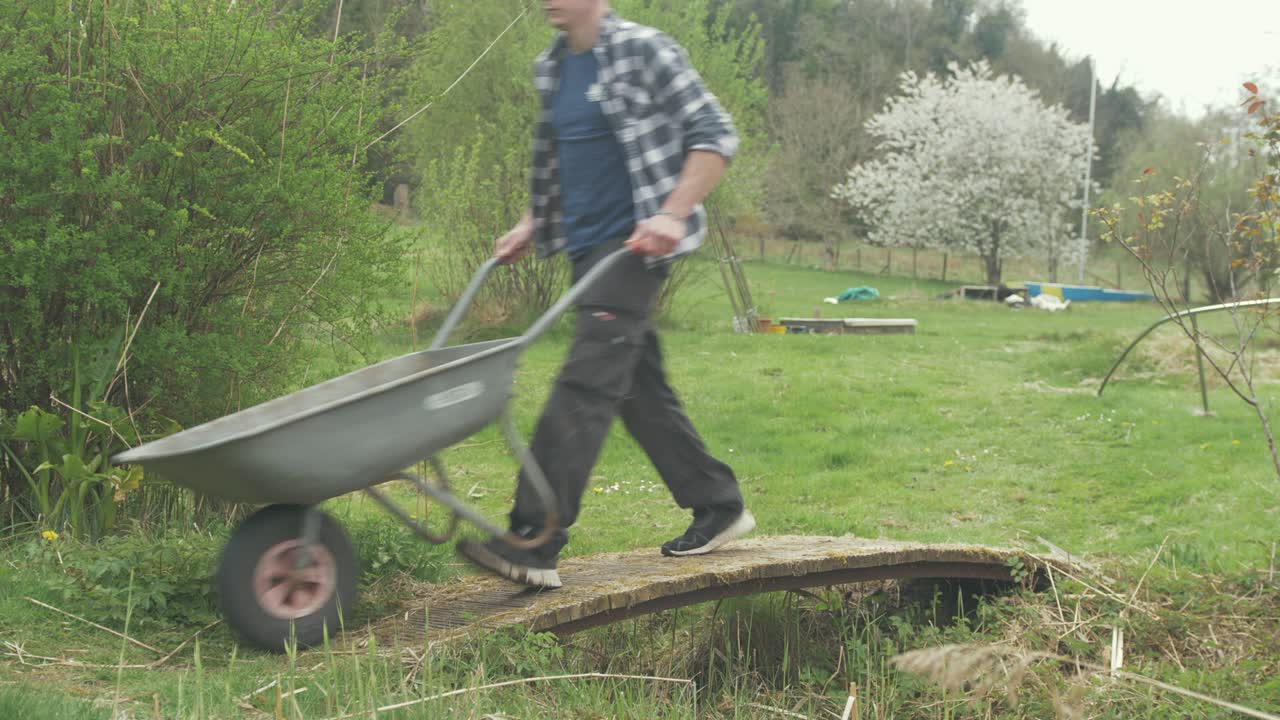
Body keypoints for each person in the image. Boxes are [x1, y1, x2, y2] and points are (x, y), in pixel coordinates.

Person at [456, 0, 754, 588]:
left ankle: (534, 538)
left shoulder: (645, 50)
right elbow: (559, 163)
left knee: (585, 383)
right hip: (586, 251)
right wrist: (530, 223)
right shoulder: (553, 66)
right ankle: (718, 503)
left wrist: (673, 213)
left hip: (633, 248)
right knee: (637, 388)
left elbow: (715, 135)